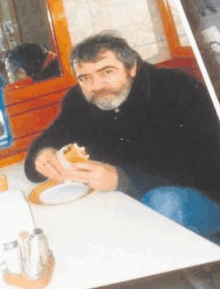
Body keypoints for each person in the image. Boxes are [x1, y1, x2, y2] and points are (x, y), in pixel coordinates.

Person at [24, 32, 220, 239]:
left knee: (163, 202)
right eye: (85, 78)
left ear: (132, 67)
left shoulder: (178, 87)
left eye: (106, 72)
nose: (97, 86)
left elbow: (202, 166)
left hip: (202, 198)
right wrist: (41, 153)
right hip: (130, 205)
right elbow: (54, 136)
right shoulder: (78, 100)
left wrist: (123, 179)